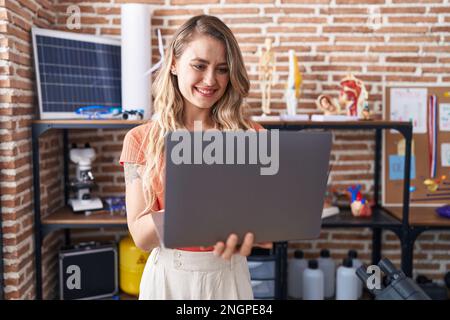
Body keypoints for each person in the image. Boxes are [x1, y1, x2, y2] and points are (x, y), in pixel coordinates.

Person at [119, 15, 271, 300]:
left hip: (229, 277)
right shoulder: (140, 140)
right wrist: (196, 202)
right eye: (199, 65)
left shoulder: (252, 135)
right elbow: (141, 237)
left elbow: (266, 219)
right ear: (174, 64)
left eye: (222, 69)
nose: (211, 80)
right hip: (168, 279)